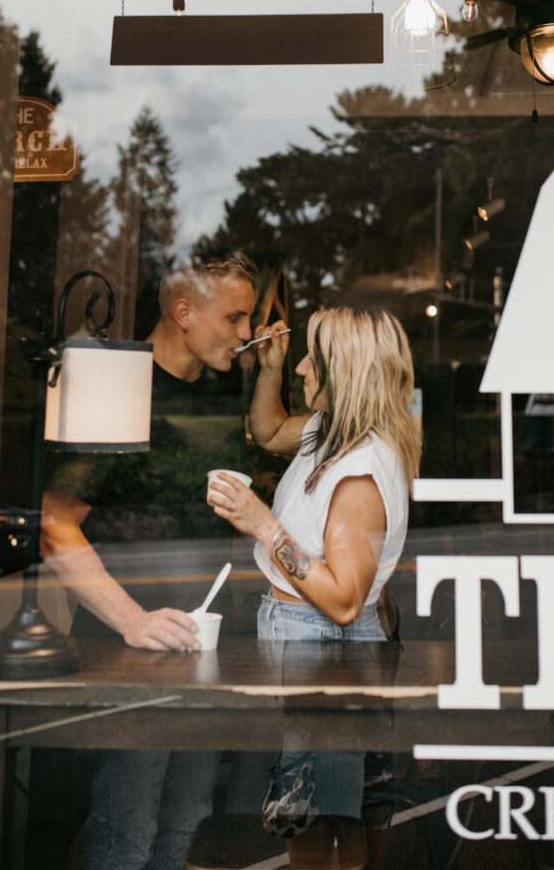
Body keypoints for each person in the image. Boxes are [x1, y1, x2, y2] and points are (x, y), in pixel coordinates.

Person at [41, 251, 258, 870]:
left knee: (189, 828)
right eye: (235, 316)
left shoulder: (221, 388)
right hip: (130, 651)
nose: (246, 332)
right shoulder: (118, 384)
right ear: (183, 313)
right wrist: (132, 619)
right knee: (126, 834)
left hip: (206, 644)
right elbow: (55, 524)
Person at [208, 306, 421, 870]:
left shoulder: (358, 473)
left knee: (316, 815)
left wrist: (261, 523)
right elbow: (268, 430)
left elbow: (345, 602)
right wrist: (269, 369)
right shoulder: (328, 433)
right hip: (315, 644)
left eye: (312, 358)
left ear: (343, 371)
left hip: (327, 644)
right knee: (332, 801)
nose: (303, 366)